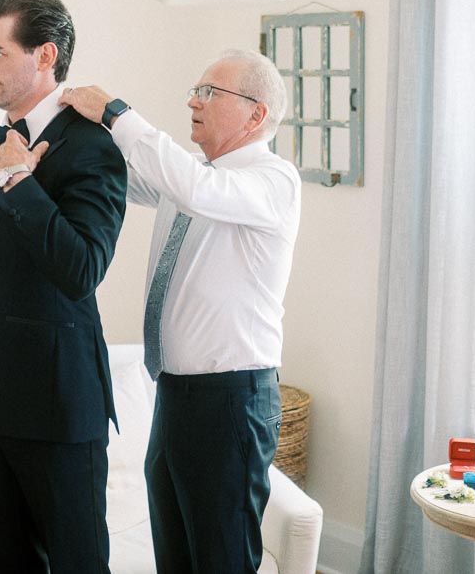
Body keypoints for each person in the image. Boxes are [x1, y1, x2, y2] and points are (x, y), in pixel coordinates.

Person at [62, 48, 301, 574]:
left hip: (231, 400)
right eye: (196, 89)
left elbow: (194, 190)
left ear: (256, 113)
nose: (193, 100)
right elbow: (126, 176)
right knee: (174, 556)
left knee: (222, 560)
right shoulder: (192, 174)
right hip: (172, 394)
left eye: (210, 92)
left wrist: (117, 113)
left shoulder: (272, 180)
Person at [0, 0, 127, 573]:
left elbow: (82, 268)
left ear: (45, 56)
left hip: (59, 404)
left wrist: (19, 183)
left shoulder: (91, 148)